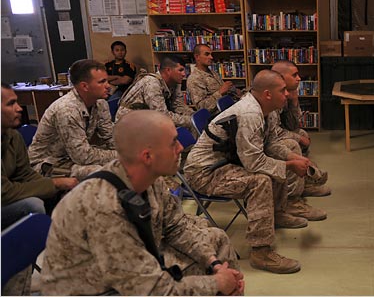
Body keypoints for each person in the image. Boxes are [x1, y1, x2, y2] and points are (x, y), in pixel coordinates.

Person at [40, 110, 244, 295]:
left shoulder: (149, 178)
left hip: (130, 268)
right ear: (147, 156)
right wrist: (217, 284)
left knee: (216, 239)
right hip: (93, 289)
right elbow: (151, 291)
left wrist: (214, 265)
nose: (181, 148)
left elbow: (176, 227)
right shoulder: (102, 205)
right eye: (173, 142)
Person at [184, 69, 312, 274]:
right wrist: (289, 167)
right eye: (282, 91)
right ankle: (260, 252)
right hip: (204, 172)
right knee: (259, 181)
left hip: (225, 164)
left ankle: (277, 214)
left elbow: (270, 145)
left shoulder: (265, 109)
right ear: (268, 94)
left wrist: (292, 158)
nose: (287, 94)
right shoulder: (250, 113)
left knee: (274, 163)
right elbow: (253, 162)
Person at [1, 83, 78, 296]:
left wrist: (54, 187)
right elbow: (4, 192)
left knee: (61, 192)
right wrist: (53, 184)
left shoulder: (11, 136)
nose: (19, 108)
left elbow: (24, 175)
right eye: (11, 103)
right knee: (32, 205)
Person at [28, 59, 117, 180]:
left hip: (71, 158)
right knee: (103, 172)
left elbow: (110, 138)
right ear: (84, 86)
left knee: (125, 164)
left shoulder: (100, 104)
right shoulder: (67, 110)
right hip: (48, 163)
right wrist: (121, 155)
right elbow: (83, 156)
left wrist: (129, 151)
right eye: (102, 82)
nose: (108, 86)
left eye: (107, 80)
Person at [271, 60, 332, 198]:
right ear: (281, 76)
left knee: (301, 133)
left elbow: (292, 126)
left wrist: (294, 102)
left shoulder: (285, 93)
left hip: (273, 135)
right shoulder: (270, 94)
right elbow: (273, 131)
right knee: (293, 144)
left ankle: (302, 183)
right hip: (264, 142)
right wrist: (298, 139)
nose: (299, 78)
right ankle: (292, 199)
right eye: (295, 75)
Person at [116, 56, 194, 129]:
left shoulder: (174, 82)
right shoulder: (152, 83)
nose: (184, 74)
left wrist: (194, 116)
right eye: (180, 70)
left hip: (146, 118)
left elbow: (178, 106)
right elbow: (162, 116)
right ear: (168, 70)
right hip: (128, 123)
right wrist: (190, 121)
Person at [186, 44, 241, 114]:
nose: (211, 57)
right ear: (197, 57)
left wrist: (234, 91)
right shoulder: (194, 79)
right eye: (207, 54)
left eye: (211, 54)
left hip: (227, 109)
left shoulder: (213, 73)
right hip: (216, 117)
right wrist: (220, 92)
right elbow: (202, 107)